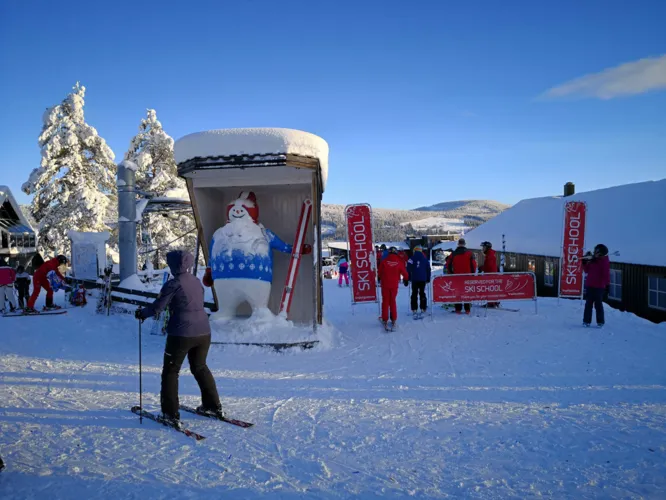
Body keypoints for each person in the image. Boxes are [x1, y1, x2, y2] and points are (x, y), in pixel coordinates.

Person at [136, 250, 222, 427]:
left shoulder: (172, 284)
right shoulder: (196, 282)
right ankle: (213, 406)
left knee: (170, 371)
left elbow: (158, 307)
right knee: (200, 367)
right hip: (204, 332)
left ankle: (170, 414)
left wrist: (142, 313)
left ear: (174, 265)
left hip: (181, 334)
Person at [378, 246, 409, 328]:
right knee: (392, 301)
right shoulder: (399, 262)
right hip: (394, 285)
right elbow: (404, 272)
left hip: (385, 284)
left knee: (385, 302)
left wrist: (379, 278)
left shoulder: (384, 261)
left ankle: (385, 319)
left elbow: (380, 272)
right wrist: (406, 279)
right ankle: (393, 318)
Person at [582, 244, 611, 328]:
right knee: (588, 304)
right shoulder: (593, 260)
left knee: (598, 305)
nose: (594, 253)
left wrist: (607, 285)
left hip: (599, 287)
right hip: (590, 285)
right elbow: (586, 270)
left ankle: (600, 321)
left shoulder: (604, 262)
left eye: (596, 251)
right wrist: (584, 262)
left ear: (600, 253)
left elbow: (606, 274)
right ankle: (586, 321)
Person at [447, 239, 477, 314]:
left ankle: (458, 309)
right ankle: (467, 310)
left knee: (458, 292)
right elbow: (474, 265)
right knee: (467, 292)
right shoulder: (470, 253)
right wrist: (472, 274)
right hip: (467, 277)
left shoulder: (453, 254)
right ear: (464, 244)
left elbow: (448, 265)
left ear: (458, 244)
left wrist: (451, 273)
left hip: (457, 277)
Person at [407, 245, 431, 317]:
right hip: (423, 279)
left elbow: (408, 268)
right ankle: (423, 308)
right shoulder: (425, 258)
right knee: (422, 293)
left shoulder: (411, 258)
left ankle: (414, 308)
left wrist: (408, 277)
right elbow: (428, 269)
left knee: (414, 293)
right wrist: (428, 278)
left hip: (414, 278)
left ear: (415, 251)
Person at [479, 241, 499, 308]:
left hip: (491, 274)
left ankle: (491, 303)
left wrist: (482, 268)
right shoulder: (490, 254)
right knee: (492, 288)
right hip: (491, 274)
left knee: (490, 289)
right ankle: (494, 302)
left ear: (487, 247)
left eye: (484, 247)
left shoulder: (489, 254)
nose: (482, 249)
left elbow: (489, 265)